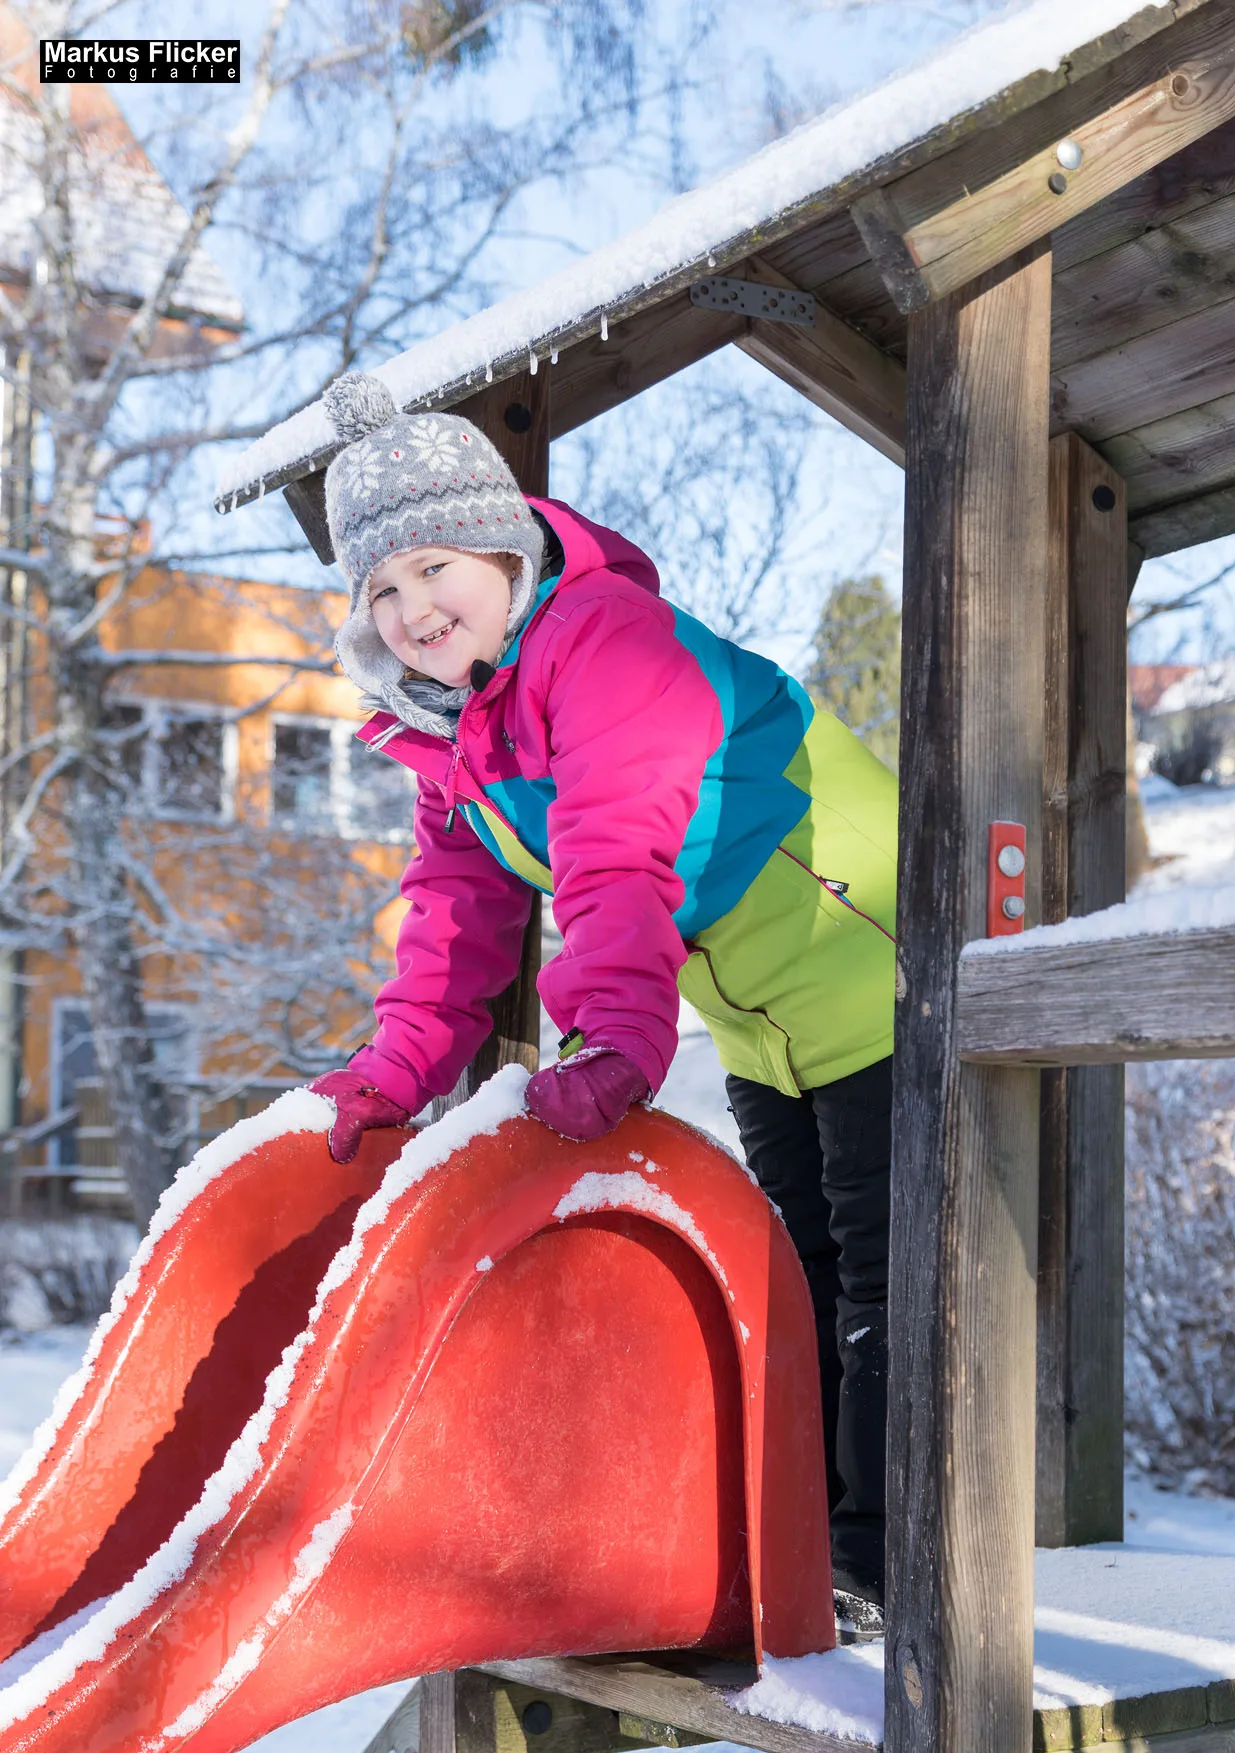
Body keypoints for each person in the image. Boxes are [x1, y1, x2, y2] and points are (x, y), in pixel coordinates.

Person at [308, 371, 897, 1640]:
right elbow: (456, 914)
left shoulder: (603, 639)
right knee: (795, 1272)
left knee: (884, 1276)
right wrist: (393, 1069)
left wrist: (618, 1034)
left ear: (502, 550)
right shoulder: (453, 735)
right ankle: (802, 1549)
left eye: (434, 567)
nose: (412, 609)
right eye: (381, 589)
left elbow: (614, 847)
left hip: (871, 957)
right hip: (762, 1021)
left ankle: (881, 1562)